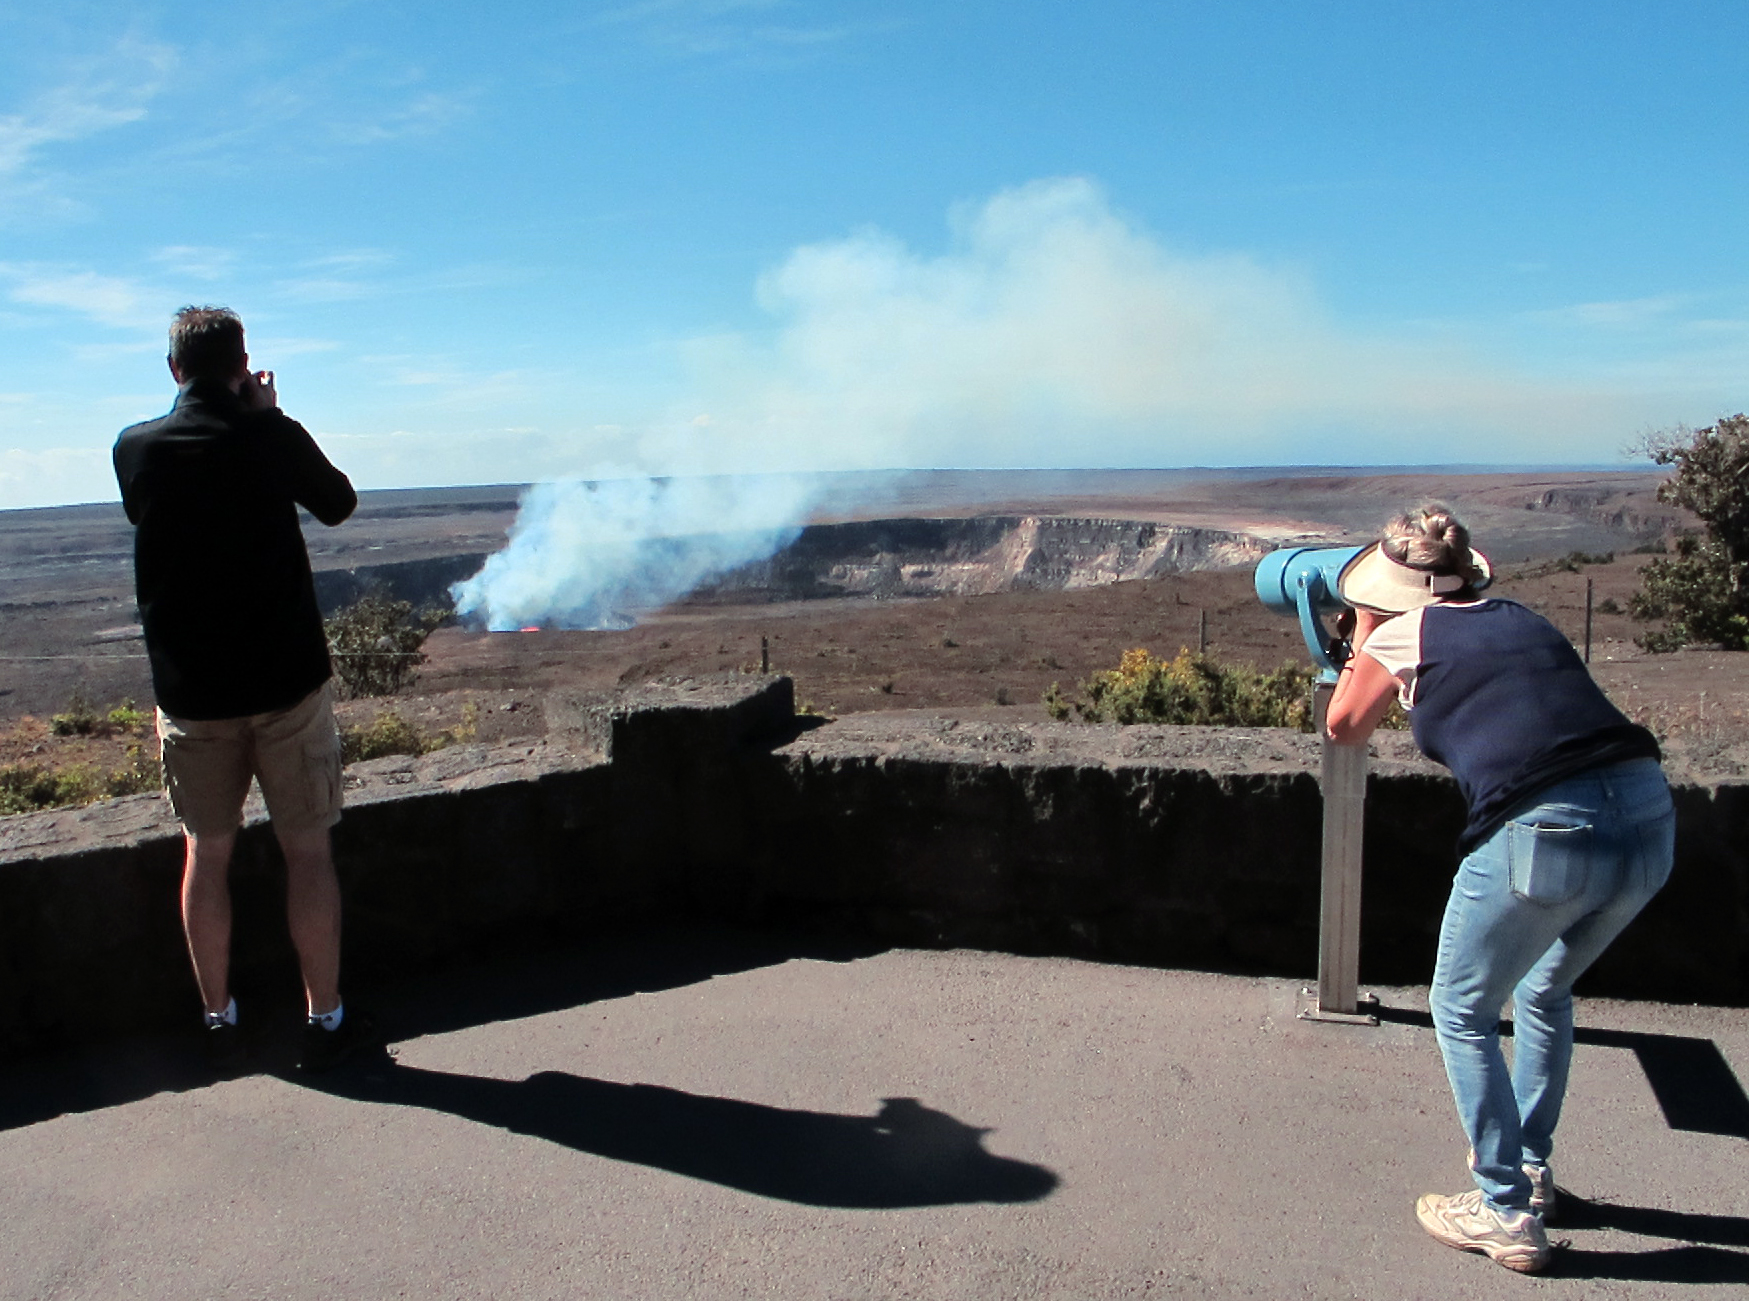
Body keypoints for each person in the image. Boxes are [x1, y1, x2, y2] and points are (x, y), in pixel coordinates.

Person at [1326, 503, 1670, 1275]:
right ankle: (1531, 1172)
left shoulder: (1396, 631)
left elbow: (1343, 724)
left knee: (1460, 1006)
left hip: (1544, 828)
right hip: (1648, 816)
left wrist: (1355, 638)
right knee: (1545, 986)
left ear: (1392, 588)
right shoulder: (1519, 614)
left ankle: (1502, 1207)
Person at [113, 305, 374, 1073]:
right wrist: (272, 416)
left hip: (193, 693)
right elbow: (337, 503)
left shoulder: (135, 448)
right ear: (242, 364)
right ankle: (325, 1019)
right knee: (307, 851)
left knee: (208, 852)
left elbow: (145, 507)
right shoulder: (271, 436)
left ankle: (218, 1020)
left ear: (173, 370)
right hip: (286, 684)